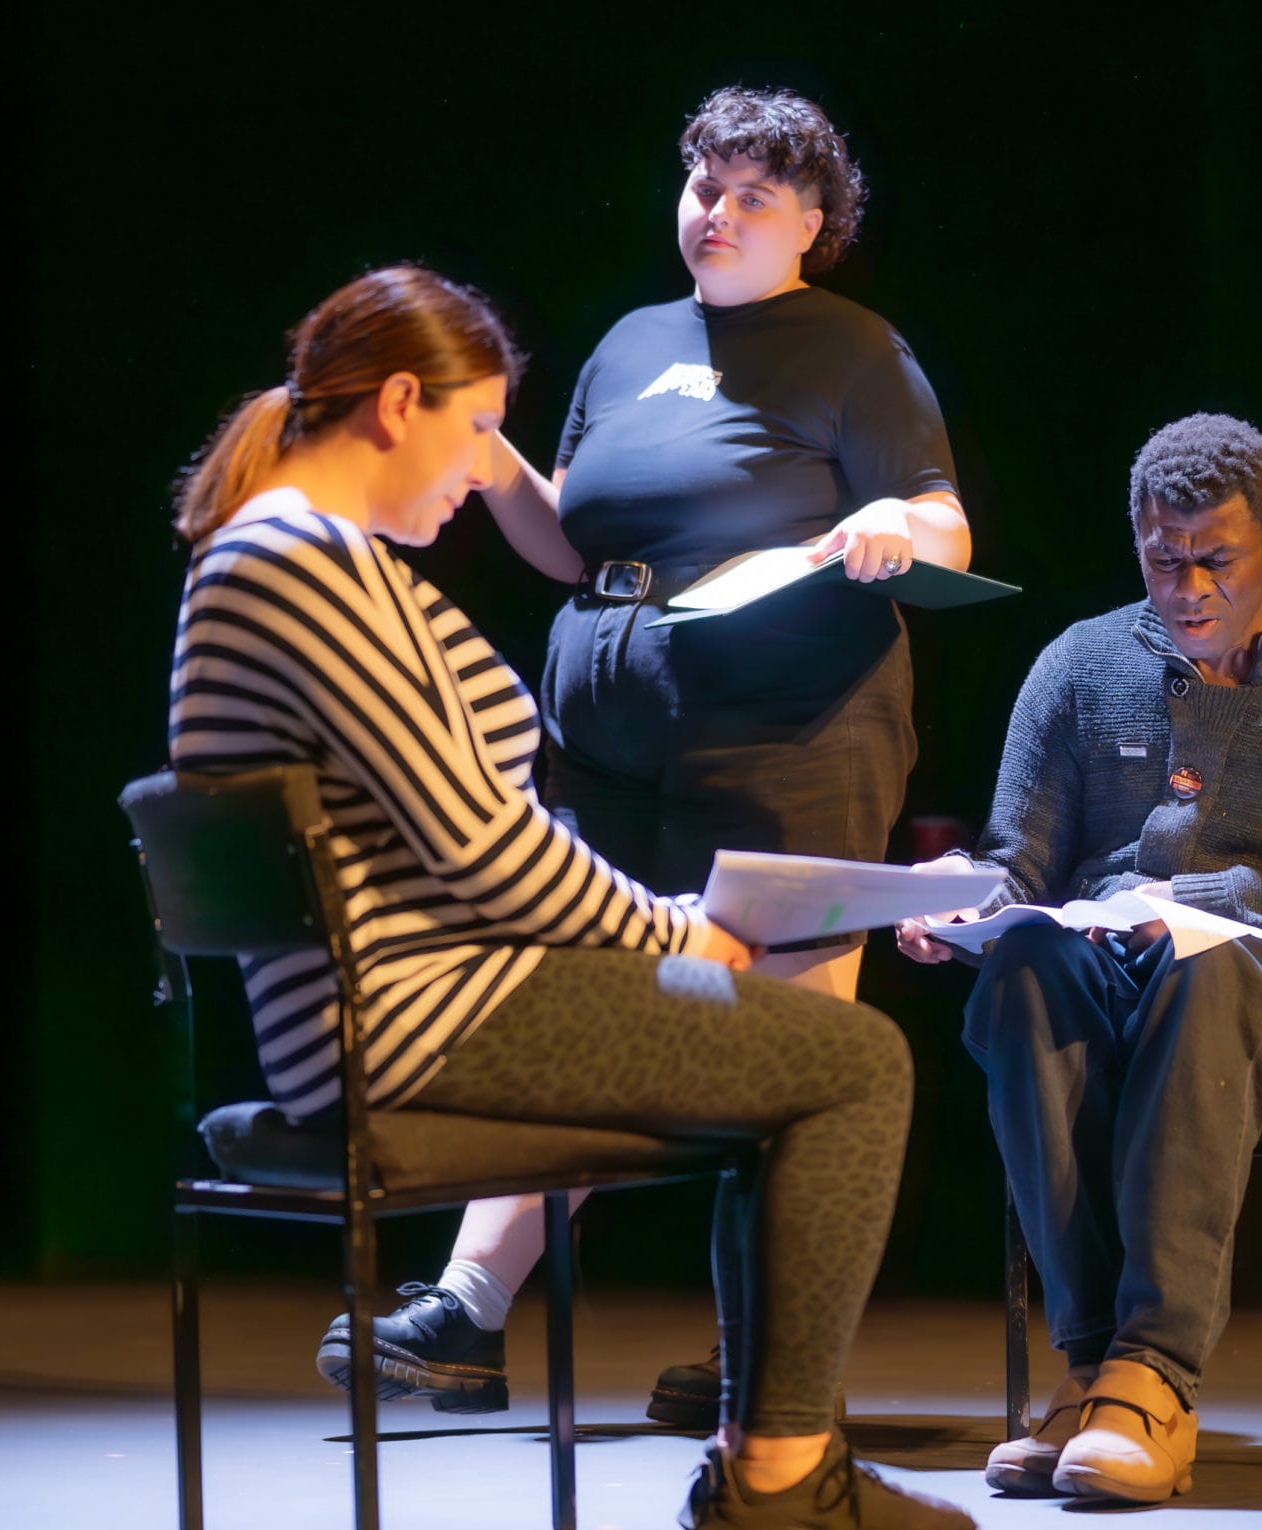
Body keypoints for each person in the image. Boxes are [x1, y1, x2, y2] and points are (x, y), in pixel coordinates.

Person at [168, 264, 977, 1530]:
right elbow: (490, 854)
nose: (489, 468)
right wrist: (684, 935)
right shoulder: (303, 565)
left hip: (406, 999)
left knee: (793, 1043)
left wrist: (672, 927)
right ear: (396, 404)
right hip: (415, 1018)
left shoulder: (281, 557)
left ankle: (763, 1428)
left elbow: (470, 844)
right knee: (857, 1059)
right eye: (478, 428)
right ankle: (779, 1472)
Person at [337, 87, 973, 1430]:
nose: (717, 212)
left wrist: (892, 532)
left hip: (791, 729)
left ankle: (770, 1359)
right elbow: (572, 541)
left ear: (815, 223)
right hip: (611, 736)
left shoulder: (853, 348)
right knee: (589, 1003)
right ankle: (465, 1312)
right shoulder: (631, 344)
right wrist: (479, 439)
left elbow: (943, 523)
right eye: (702, 183)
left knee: (786, 1034)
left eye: (753, 194)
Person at [897, 413, 1262, 1505]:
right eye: (1163, 559)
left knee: (1206, 970)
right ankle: (1092, 1365)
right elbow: (1021, 863)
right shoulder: (1080, 663)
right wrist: (961, 903)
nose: (1188, 585)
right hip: (1100, 959)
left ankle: (1152, 1372)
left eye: (1216, 559)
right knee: (1020, 974)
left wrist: (1230, 898)